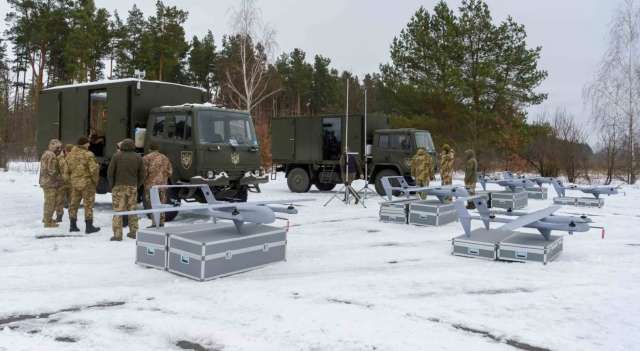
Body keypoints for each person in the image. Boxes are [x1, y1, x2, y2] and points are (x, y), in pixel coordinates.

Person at [108, 138, 144, 241]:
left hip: (118, 187)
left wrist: (112, 186)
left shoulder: (116, 156)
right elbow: (142, 174)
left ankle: (117, 235)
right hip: (132, 187)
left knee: (118, 211)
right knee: (132, 210)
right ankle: (134, 232)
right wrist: (137, 185)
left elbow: (110, 173)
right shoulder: (138, 157)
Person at [67, 137, 101, 234]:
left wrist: (71, 180)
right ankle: (89, 227)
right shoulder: (88, 154)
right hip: (87, 184)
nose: (89, 145)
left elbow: (66, 170)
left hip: (74, 183)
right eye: (88, 143)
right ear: (84, 144)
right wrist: (95, 182)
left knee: (73, 204)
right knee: (88, 205)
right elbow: (94, 170)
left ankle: (72, 226)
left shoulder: (70, 155)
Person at [142, 142, 172, 227]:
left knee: (152, 204)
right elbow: (170, 172)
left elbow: (144, 173)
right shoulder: (165, 158)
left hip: (151, 186)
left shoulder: (146, 158)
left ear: (149, 149)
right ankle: (161, 222)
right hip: (163, 185)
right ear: (158, 149)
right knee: (161, 203)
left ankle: (155, 223)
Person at [39, 139, 64, 228]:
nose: (59, 149)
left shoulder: (46, 154)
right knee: (51, 202)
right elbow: (52, 171)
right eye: (58, 147)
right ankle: (48, 222)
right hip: (50, 183)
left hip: (45, 182)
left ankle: (46, 218)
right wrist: (60, 178)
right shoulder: (52, 156)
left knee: (48, 202)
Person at [54, 144, 73, 222]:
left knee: (72, 201)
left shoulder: (74, 159)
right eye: (69, 151)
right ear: (65, 151)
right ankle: (59, 216)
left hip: (71, 184)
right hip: (61, 184)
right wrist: (58, 178)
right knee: (59, 201)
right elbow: (55, 170)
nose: (70, 153)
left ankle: (72, 217)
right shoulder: (58, 158)